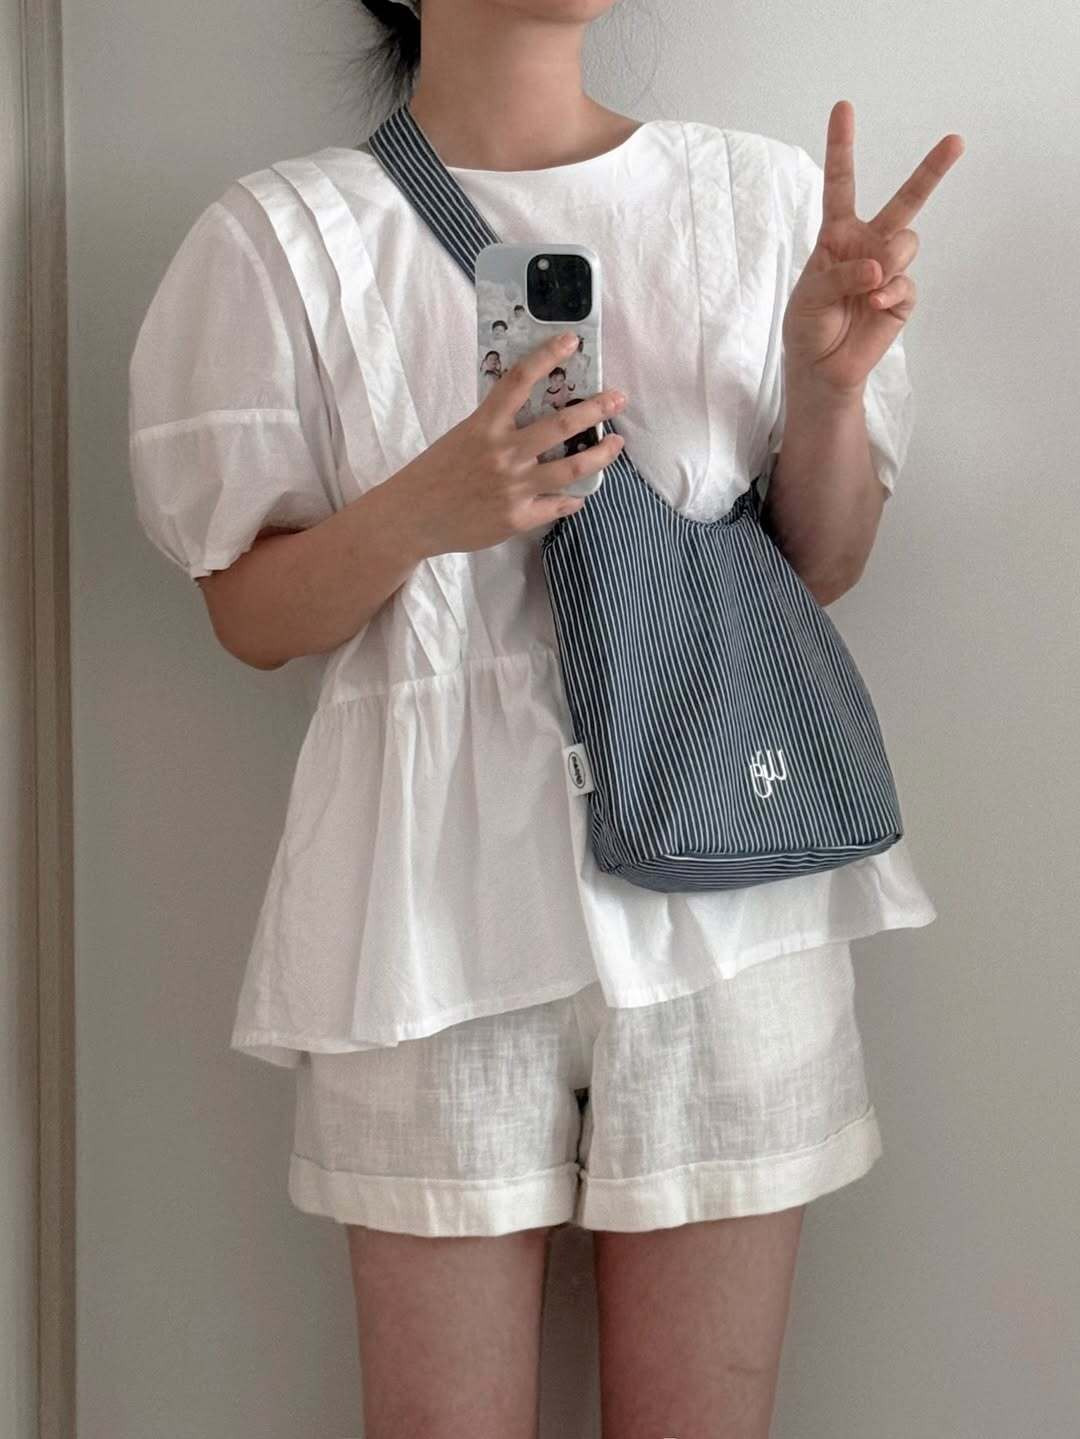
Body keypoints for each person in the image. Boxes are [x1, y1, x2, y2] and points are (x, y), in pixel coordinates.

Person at [127, 0, 962, 1433]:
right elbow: (248, 618)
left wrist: (829, 387)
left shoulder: (755, 199)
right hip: (423, 926)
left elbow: (817, 570)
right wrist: (425, 511)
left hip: (728, 918)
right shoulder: (286, 239)